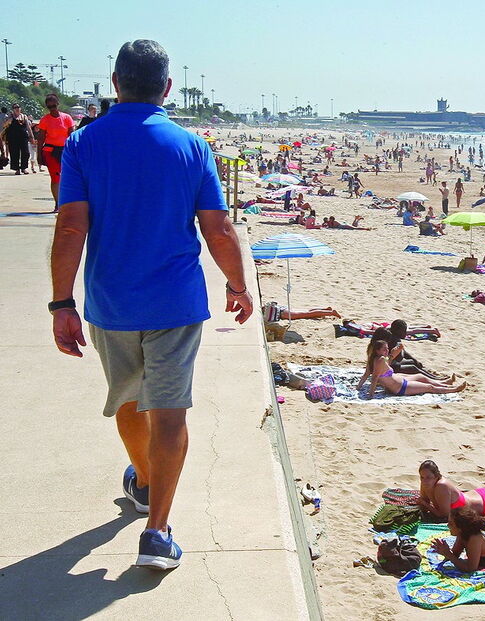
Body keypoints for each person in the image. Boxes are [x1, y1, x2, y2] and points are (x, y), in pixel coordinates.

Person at [51, 40, 254, 570]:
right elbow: (218, 228)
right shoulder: (191, 146)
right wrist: (237, 286)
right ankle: (157, 531)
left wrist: (61, 303)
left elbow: (71, 226)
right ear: (166, 87)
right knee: (169, 412)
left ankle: (143, 480)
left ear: (115, 83)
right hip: (174, 303)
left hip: (111, 302)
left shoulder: (84, 142)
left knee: (127, 399)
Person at [359, 340, 465, 397]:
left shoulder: (373, 359)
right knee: (429, 387)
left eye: (387, 349)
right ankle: (454, 389)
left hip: (399, 381)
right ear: (377, 351)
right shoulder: (380, 360)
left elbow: (366, 376)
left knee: (421, 377)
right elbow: (374, 378)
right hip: (400, 387)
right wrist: (371, 395)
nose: (387, 351)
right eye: (384, 349)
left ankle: (445, 383)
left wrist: (358, 388)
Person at [37, 93, 75, 211]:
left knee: (67, 177)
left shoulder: (67, 118)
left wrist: (75, 152)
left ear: (58, 104)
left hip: (65, 151)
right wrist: (39, 154)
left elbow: (72, 136)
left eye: (53, 106)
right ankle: (58, 203)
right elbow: (41, 138)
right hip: (50, 151)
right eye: (49, 107)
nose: (52, 109)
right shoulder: (45, 120)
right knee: (55, 177)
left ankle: (67, 202)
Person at [3, 103, 35, 175]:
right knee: (14, 153)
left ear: (20, 108)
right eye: (15, 107)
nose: (17, 108)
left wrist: (32, 137)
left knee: (26, 152)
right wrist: (10, 119)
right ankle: (17, 169)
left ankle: (24, 168)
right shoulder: (10, 116)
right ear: (13, 109)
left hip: (23, 137)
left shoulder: (24, 116)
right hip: (13, 137)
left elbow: (28, 127)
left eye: (18, 107)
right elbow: (4, 125)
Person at [263, 301, 340, 321]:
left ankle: (331, 313)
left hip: (283, 313)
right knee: (307, 311)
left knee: (308, 313)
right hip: (282, 309)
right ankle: (325, 309)